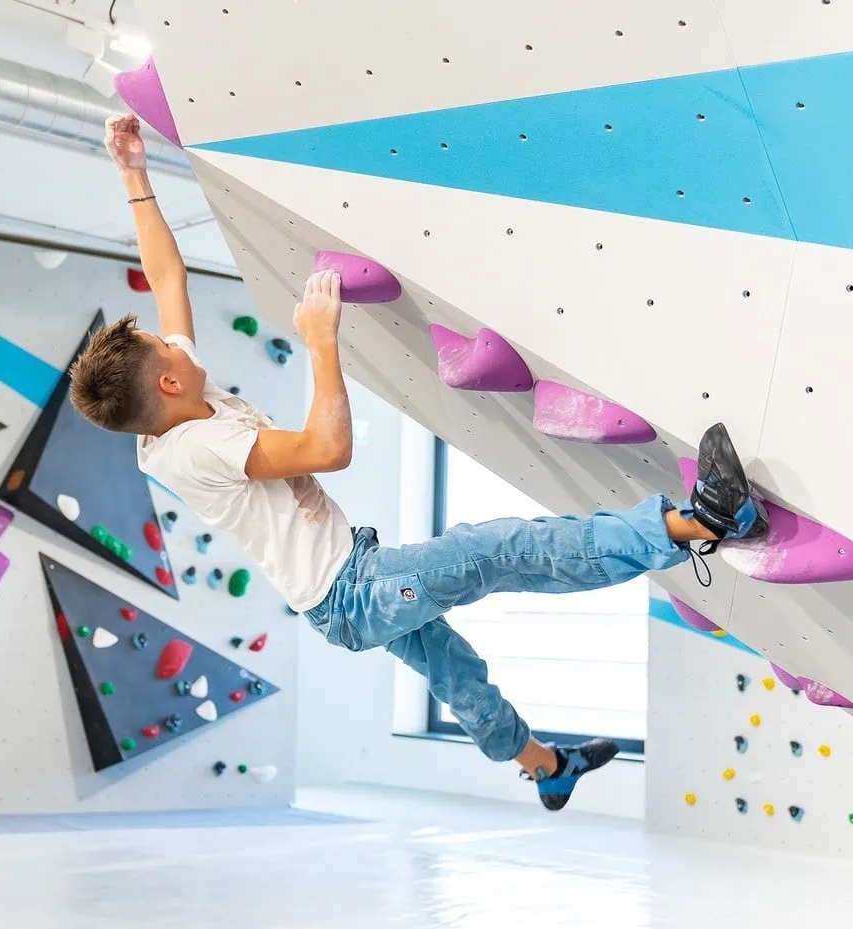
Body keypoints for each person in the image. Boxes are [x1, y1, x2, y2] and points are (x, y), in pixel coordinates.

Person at [69, 115, 769, 810]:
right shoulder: (197, 446)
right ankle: (698, 523)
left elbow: (167, 276)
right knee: (504, 549)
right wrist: (319, 340)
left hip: (344, 594)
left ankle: (546, 766)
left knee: (455, 671)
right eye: (167, 351)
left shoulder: (171, 402)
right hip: (357, 589)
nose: (174, 343)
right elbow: (327, 450)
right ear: (166, 383)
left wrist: (132, 169)